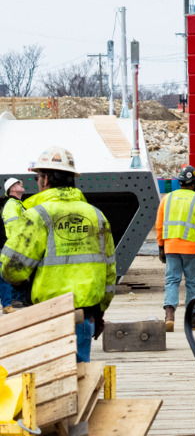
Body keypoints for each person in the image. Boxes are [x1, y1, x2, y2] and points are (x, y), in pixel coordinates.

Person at [0, 146, 115, 362]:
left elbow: (11, 268)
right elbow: (109, 270)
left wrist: (22, 286)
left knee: (48, 380)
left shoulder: (38, 215)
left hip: (47, 314)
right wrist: (100, 312)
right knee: (81, 380)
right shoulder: (96, 215)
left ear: (45, 179)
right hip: (84, 314)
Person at [155, 164, 195, 332]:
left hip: (171, 246)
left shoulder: (167, 199)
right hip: (192, 249)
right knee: (192, 282)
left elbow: (159, 225)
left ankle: (169, 315)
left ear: (179, 182)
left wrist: (161, 246)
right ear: (194, 183)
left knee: (172, 280)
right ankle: (194, 318)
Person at [1, 178, 27, 313]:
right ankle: (14, 300)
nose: (21, 185)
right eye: (17, 184)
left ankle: (16, 300)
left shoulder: (18, 204)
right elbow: (13, 226)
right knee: (13, 275)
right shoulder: (12, 204)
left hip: (17, 245)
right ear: (11, 189)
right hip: (16, 245)